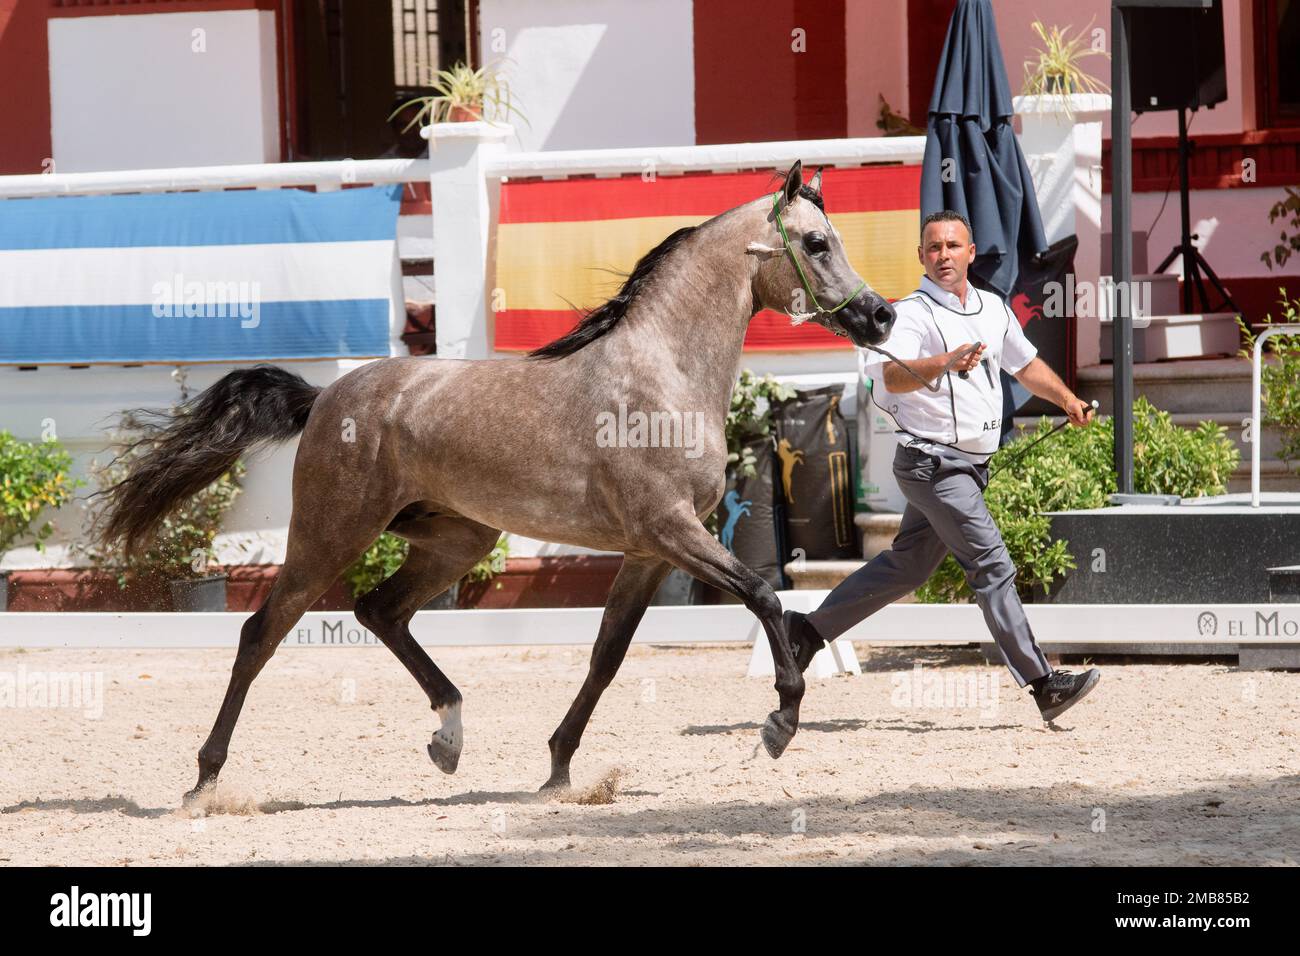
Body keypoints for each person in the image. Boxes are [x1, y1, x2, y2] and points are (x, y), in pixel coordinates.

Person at [784, 210, 1100, 722]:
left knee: (907, 566)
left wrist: (1066, 399)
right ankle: (1044, 684)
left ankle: (807, 632)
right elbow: (890, 377)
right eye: (933, 248)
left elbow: (1024, 363)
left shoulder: (994, 308)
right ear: (921, 257)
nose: (943, 255)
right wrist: (944, 363)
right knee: (992, 566)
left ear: (970, 252)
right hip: (932, 465)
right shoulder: (910, 314)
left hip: (970, 466)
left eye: (953, 246)